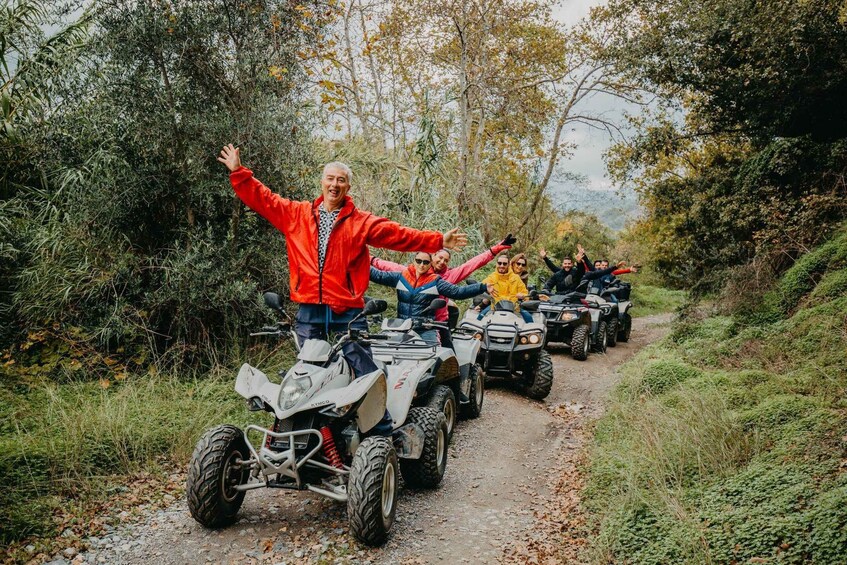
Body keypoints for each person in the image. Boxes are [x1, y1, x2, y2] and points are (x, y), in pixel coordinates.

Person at [217, 144, 468, 375]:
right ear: (322, 182)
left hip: (347, 307)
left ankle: (380, 425)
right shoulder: (297, 214)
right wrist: (239, 173)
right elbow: (265, 199)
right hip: (309, 305)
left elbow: (398, 235)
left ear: (348, 187)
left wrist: (437, 241)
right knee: (307, 369)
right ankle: (316, 423)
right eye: (330, 178)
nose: (334, 184)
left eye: (341, 180)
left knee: (363, 368)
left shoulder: (361, 222)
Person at [370, 233, 517, 329]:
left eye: (446, 260)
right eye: (439, 258)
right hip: (405, 324)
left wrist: (495, 250)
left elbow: (472, 265)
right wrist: (367, 258)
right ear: (432, 257)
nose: (441, 262)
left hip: (436, 323)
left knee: (447, 358)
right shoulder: (409, 273)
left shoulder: (448, 277)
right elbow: (383, 268)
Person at [369, 252, 492, 344]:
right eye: (419, 261)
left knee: (436, 360)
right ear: (414, 261)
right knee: (385, 355)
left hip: (425, 329)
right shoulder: (401, 276)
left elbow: (458, 292)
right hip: (401, 327)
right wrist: (356, 258)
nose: (422, 265)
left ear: (430, 264)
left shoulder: (435, 281)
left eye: (426, 262)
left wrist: (482, 287)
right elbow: (377, 275)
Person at [479, 254, 533, 323]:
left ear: (508, 265)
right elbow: (480, 287)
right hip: (495, 307)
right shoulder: (491, 278)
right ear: (496, 264)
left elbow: (525, 294)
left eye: (504, 264)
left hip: (514, 308)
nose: (502, 265)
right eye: (499, 263)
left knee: (529, 317)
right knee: (480, 317)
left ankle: (532, 333)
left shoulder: (516, 278)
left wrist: (523, 296)